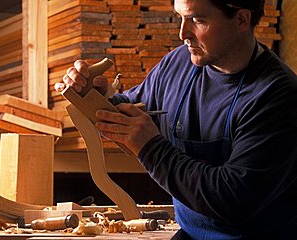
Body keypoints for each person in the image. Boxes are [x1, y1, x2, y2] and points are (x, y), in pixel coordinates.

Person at [55, 0, 297, 239]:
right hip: (190, 234)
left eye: (197, 20)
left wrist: (151, 149)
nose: (183, 33)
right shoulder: (178, 63)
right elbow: (122, 117)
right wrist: (90, 98)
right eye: (180, 17)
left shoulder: (276, 95)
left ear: (242, 20)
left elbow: (232, 201)